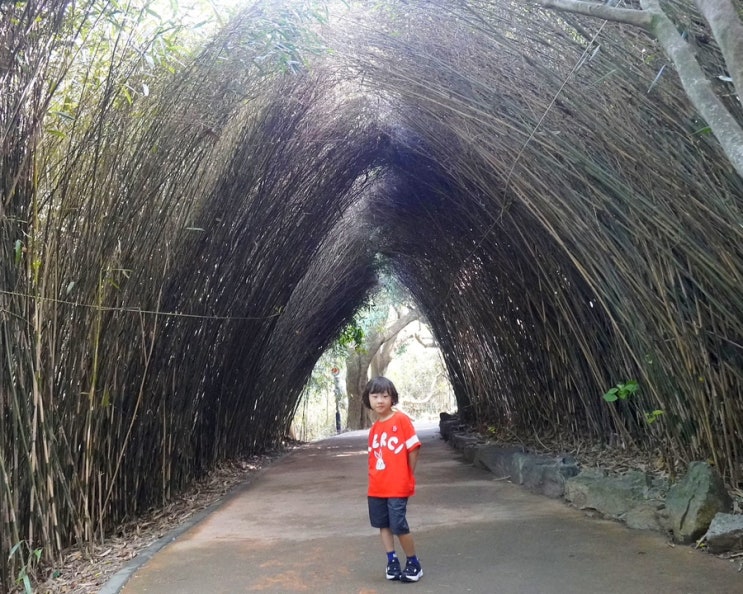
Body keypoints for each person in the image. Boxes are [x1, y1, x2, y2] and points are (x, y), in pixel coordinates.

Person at [363, 376, 423, 583]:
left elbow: (413, 449)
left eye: (385, 396)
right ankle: (392, 560)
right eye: (375, 396)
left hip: (397, 485)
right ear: (368, 399)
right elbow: (373, 458)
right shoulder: (374, 429)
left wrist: (408, 474)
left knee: (399, 525)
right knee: (383, 524)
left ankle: (414, 562)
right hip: (377, 487)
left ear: (392, 398)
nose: (380, 400)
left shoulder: (401, 420)